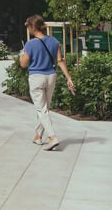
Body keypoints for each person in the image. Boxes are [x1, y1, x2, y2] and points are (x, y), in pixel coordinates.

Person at [19, 14, 75, 151]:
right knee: (45, 108)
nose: (28, 29)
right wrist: (69, 78)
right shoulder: (54, 41)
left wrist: (22, 53)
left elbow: (23, 64)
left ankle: (52, 137)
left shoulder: (30, 44)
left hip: (36, 77)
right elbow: (60, 61)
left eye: (28, 26)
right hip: (51, 76)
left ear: (33, 27)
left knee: (41, 109)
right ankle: (38, 136)